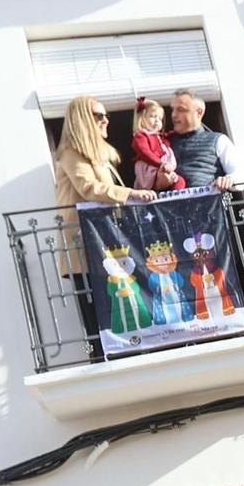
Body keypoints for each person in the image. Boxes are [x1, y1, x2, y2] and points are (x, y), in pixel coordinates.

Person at [52, 96, 156, 351]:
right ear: (83, 119)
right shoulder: (70, 152)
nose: (106, 119)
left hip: (105, 245)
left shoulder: (101, 157)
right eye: (99, 115)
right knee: (99, 311)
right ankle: (104, 353)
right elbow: (88, 188)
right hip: (85, 247)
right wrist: (129, 193)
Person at [168, 89, 236, 194]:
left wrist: (228, 179)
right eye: (173, 109)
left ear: (199, 112)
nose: (174, 115)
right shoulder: (166, 143)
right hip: (172, 209)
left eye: (181, 109)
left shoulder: (218, 140)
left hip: (209, 208)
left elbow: (238, 172)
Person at [130, 97, 186, 192]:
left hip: (160, 167)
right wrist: (160, 164)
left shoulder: (159, 137)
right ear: (142, 118)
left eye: (160, 118)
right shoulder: (141, 136)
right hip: (150, 168)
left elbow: (167, 137)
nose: (157, 121)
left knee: (180, 182)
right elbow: (145, 152)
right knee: (171, 180)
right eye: (153, 116)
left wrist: (177, 131)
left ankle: (174, 201)